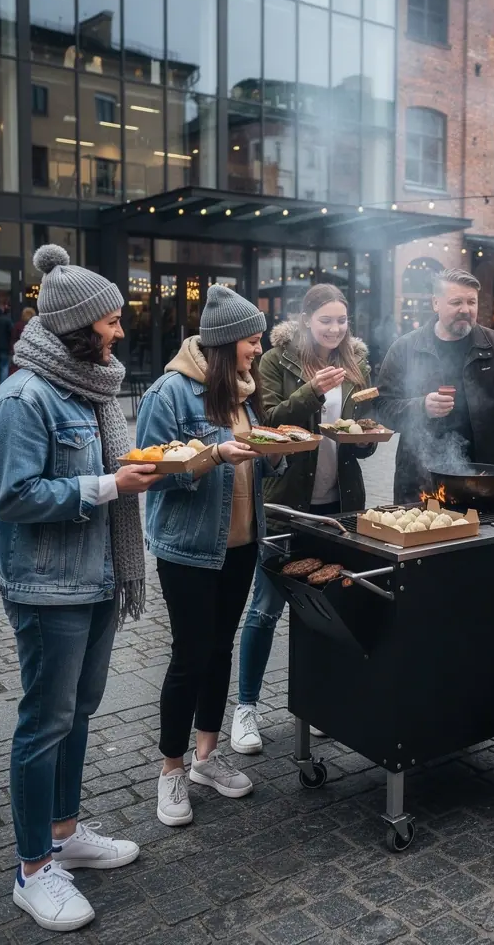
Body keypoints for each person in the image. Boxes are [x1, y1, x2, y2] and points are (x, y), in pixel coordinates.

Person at [0, 244, 160, 932]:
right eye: (110, 322)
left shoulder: (89, 388)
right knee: (44, 724)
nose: (119, 331)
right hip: (46, 588)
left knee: (78, 714)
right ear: (78, 327)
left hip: (95, 579)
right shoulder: (21, 398)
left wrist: (138, 474)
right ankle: (32, 869)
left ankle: (65, 831)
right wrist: (110, 485)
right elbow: (14, 497)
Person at [136, 286, 285, 827]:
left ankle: (206, 757)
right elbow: (153, 473)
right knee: (191, 654)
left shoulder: (243, 391)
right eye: (251, 339)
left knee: (220, 649)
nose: (258, 348)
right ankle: (170, 770)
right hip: (189, 549)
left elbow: (257, 464)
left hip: (243, 542)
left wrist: (275, 452)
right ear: (225, 344)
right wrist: (212, 455)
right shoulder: (170, 394)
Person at [231, 284, 376, 754]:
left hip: (339, 503)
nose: (336, 329)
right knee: (266, 605)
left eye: (342, 320)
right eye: (326, 321)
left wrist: (367, 435)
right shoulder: (277, 360)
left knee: (330, 605)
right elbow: (268, 421)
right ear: (306, 320)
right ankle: (247, 708)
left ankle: (320, 703)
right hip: (287, 501)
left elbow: (363, 434)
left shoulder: (355, 359)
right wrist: (312, 392)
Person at [377, 268, 494, 503]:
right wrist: (421, 407)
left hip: (485, 483)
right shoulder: (406, 348)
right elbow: (382, 408)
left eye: (471, 302)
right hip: (421, 483)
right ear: (436, 303)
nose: (465, 310)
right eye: (456, 302)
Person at [10, 306, 37, 375]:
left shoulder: (18, 325)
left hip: (20, 351)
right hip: (32, 352)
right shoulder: (36, 326)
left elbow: (14, 338)